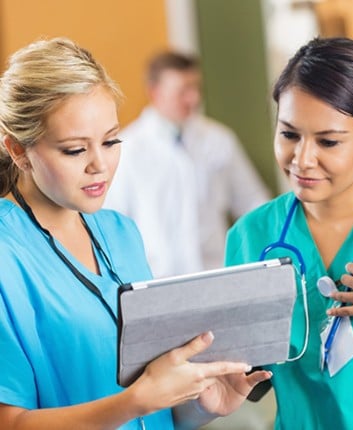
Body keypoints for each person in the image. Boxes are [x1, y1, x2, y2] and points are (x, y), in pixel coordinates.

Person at [0, 37, 272, 430]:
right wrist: (133, 402)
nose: (101, 165)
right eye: (75, 150)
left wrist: (203, 406)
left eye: (111, 141)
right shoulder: (8, 256)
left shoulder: (121, 234)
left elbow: (155, 408)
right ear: (17, 149)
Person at [226, 36, 353, 429]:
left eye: (328, 141)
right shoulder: (251, 236)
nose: (302, 160)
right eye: (289, 135)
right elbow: (247, 374)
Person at [104, 51, 271, 278]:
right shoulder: (127, 150)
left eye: (196, 89)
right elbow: (113, 225)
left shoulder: (219, 140)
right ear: (155, 93)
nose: (193, 99)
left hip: (215, 274)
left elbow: (254, 203)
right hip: (156, 280)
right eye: (183, 91)